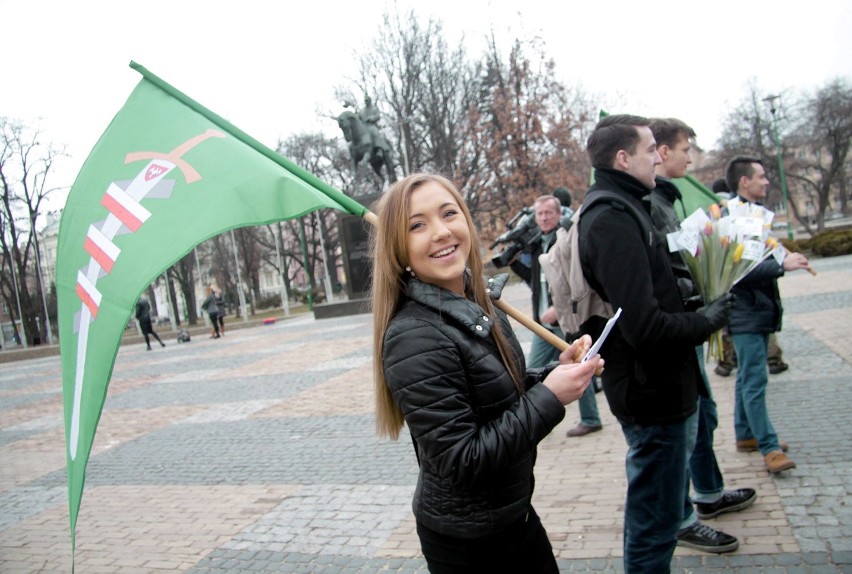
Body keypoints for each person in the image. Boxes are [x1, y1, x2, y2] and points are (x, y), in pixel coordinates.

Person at [372, 173, 603, 573]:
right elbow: (463, 460)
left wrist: (554, 373)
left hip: (512, 517)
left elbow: (499, 396)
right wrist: (551, 396)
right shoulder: (414, 337)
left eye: (449, 213)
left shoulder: (477, 304)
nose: (442, 232)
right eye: (417, 225)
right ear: (399, 247)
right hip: (472, 545)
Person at [578, 114, 734, 573]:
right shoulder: (611, 216)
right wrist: (707, 320)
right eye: (650, 149)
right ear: (623, 158)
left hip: (664, 386)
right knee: (655, 522)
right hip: (652, 394)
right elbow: (644, 326)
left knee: (660, 514)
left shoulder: (628, 205)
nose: (658, 156)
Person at [649, 118, 755, 554]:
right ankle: (683, 516)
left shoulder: (664, 200)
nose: (689, 158)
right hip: (677, 331)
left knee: (705, 415)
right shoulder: (651, 204)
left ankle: (708, 494)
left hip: (689, 323)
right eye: (684, 149)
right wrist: (701, 297)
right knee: (687, 425)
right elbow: (669, 271)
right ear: (660, 152)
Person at [724, 156, 811, 473]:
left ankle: (746, 435)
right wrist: (780, 266)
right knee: (755, 380)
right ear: (744, 181)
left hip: (757, 310)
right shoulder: (735, 218)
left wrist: (784, 257)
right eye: (760, 176)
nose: (767, 181)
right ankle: (769, 447)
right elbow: (739, 270)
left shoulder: (754, 215)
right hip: (746, 312)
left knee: (747, 377)